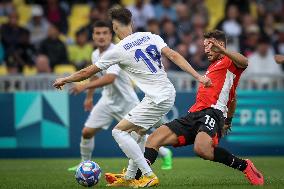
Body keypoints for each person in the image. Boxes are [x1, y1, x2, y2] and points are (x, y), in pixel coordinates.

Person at [53, 8, 211, 187]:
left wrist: (66, 79)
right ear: (131, 23)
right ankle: (129, 176)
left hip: (157, 98)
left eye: (112, 28)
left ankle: (148, 174)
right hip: (165, 93)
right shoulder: (150, 36)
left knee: (118, 131)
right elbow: (173, 55)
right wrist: (198, 77)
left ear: (115, 27)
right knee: (137, 134)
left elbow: (87, 72)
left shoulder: (118, 50)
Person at [139, 30, 264, 186]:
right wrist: (229, 121)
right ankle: (138, 178)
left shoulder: (230, 62)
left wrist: (223, 51)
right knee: (153, 139)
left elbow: (245, 62)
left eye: (209, 46)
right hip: (194, 114)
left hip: (213, 113)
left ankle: (245, 165)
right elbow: (233, 99)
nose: (206, 50)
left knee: (202, 150)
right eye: (204, 46)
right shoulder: (212, 67)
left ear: (220, 45)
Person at [66, 20, 174, 172]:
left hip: (126, 101)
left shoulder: (117, 51)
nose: (101, 36)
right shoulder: (95, 54)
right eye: (98, 33)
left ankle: (164, 152)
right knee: (87, 132)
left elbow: (110, 78)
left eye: (105, 33)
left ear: (111, 34)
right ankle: (84, 164)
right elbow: (95, 76)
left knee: (138, 135)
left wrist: (83, 86)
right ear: (93, 36)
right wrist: (89, 96)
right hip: (107, 100)